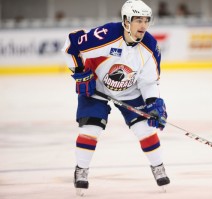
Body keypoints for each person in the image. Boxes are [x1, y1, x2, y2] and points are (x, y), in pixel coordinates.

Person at [61, 0, 170, 196]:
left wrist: (153, 102)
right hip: (97, 87)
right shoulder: (107, 35)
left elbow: (148, 82)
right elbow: (72, 45)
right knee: (91, 128)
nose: (143, 25)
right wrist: (80, 73)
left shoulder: (150, 46)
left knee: (145, 129)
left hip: (130, 91)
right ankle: (81, 169)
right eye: (138, 20)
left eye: (146, 20)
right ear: (126, 21)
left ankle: (158, 166)